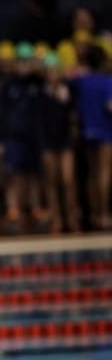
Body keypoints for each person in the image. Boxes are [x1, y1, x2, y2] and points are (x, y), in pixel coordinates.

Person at [0, 43, 44, 231]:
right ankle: (13, 209)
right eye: (20, 61)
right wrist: (0, 140)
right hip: (13, 137)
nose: (24, 65)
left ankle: (36, 208)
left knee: (33, 175)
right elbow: (1, 114)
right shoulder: (8, 85)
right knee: (13, 175)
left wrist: (38, 67)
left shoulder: (37, 82)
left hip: (34, 137)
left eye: (27, 61)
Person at [73, 46, 112, 230]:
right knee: (104, 174)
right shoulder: (106, 81)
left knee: (92, 174)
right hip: (105, 131)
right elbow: (110, 106)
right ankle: (104, 214)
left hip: (87, 130)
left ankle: (94, 215)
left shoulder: (81, 82)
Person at [39, 52, 78, 232]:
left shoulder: (67, 91)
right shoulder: (40, 93)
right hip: (48, 141)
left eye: (55, 70)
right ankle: (56, 218)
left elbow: (73, 117)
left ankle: (71, 217)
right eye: (49, 71)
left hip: (64, 141)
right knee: (51, 181)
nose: (52, 74)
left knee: (68, 179)